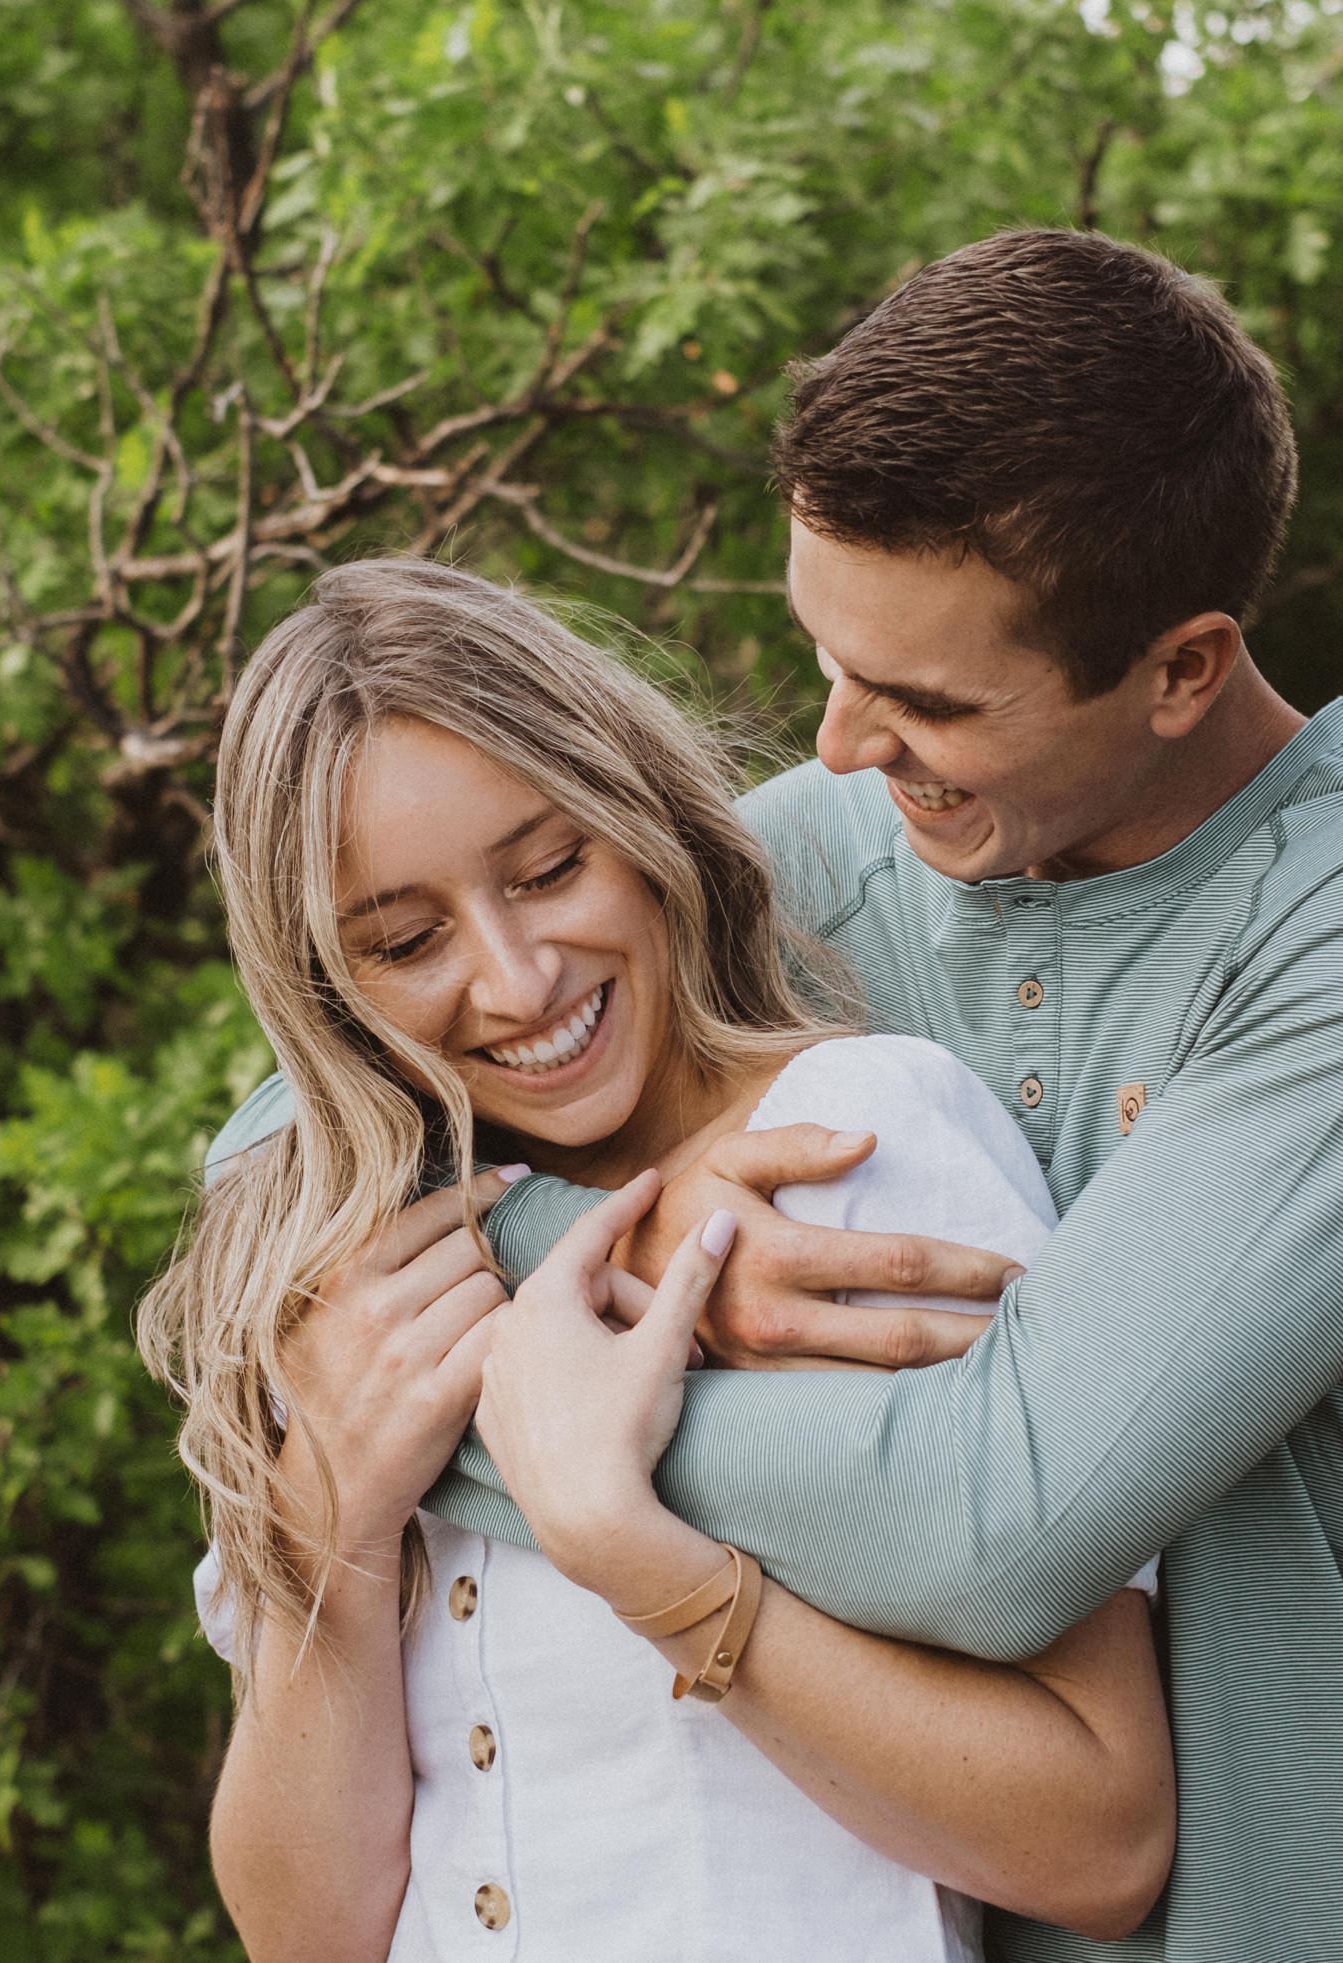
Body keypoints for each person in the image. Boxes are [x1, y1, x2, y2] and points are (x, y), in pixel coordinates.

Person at [212, 230, 1343, 1961]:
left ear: (1181, 668)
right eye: (830, 658)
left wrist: (484, 1401)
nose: (843, 745)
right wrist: (635, 1239)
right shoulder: (835, 850)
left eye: (927, 699)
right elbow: (278, 1145)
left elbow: (1000, 1518)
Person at [139, 557, 1176, 1963]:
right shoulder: (355, 1284)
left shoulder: (861, 1143)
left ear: (641, 824)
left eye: (551, 868)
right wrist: (332, 1520)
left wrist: (645, 1566)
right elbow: (306, 1935)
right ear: (323, 987)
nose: (517, 983)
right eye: (406, 939)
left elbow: (1099, 1841)